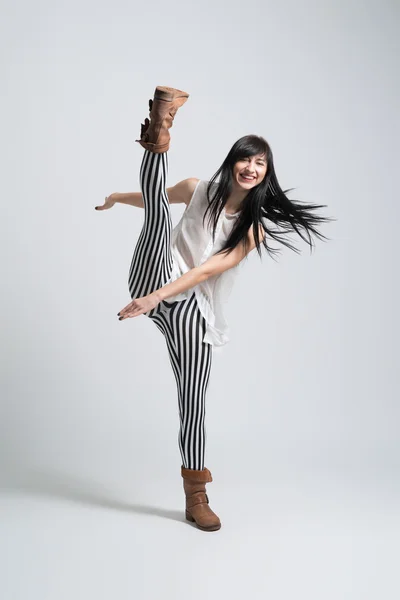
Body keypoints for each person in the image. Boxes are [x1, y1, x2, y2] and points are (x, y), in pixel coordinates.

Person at [95, 86, 330, 532]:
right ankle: (161, 129)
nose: (252, 167)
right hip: (153, 272)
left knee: (193, 401)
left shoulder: (252, 229)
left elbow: (205, 272)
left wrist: (157, 299)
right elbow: (154, 201)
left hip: (188, 307)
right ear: (233, 161)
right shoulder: (198, 188)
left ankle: (196, 495)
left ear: (265, 174)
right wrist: (115, 197)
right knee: (159, 221)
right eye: (247, 158)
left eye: (261, 163)